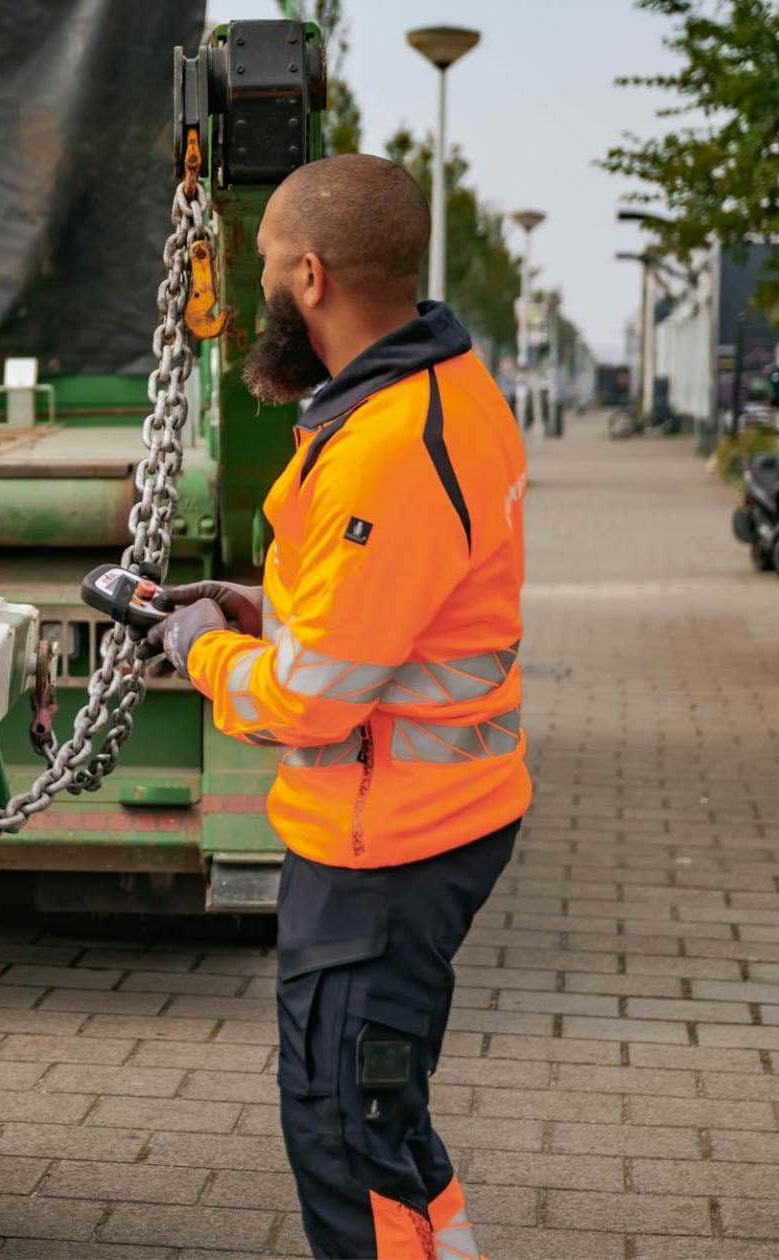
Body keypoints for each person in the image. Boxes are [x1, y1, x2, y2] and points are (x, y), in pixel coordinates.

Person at [143, 153, 529, 1260]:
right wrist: (264, 608)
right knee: (385, 1121)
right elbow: (392, 615)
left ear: (308, 276)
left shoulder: (386, 450)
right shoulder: (444, 389)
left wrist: (206, 649)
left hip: (387, 849)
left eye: (263, 264)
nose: (257, 287)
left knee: (346, 1136)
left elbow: (310, 704)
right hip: (424, 825)